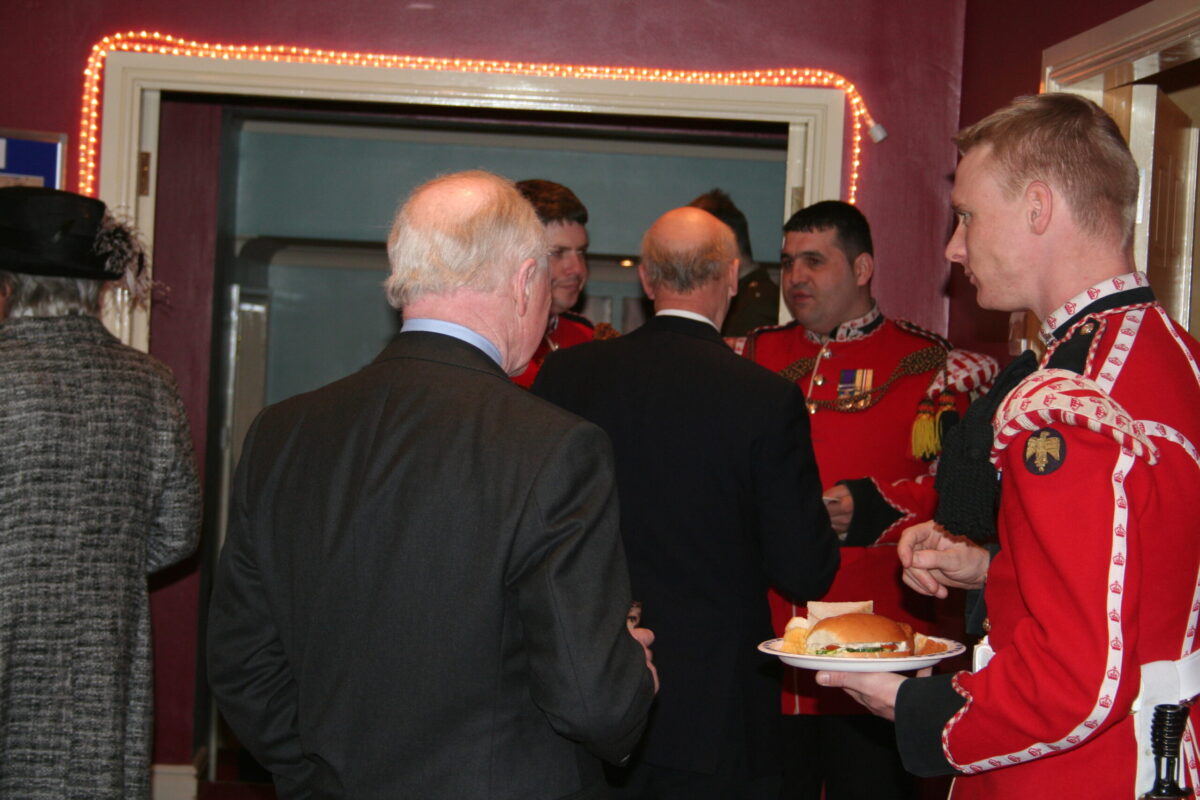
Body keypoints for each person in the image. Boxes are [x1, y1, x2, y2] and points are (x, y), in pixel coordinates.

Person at [207, 170, 657, 799]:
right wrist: (632, 672)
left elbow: (242, 666)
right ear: (527, 280)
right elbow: (593, 701)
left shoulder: (280, 433)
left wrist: (318, 774)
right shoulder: (555, 447)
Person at [818, 93, 1200, 798]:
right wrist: (993, 568)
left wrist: (915, 708)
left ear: (1038, 207)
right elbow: (1139, 571)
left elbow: (1075, 681)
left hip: (1073, 773)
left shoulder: (1070, 400)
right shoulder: (1175, 356)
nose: (953, 248)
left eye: (966, 216)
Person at [533, 206, 838, 798]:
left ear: (647, 279)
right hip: (717, 705)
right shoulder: (765, 396)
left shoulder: (568, 374)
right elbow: (805, 568)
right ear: (731, 276)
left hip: (588, 680)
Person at [733, 199, 995, 799]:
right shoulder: (752, 355)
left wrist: (876, 506)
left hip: (880, 647)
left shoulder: (933, 366)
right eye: (788, 261)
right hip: (772, 640)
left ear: (862, 268)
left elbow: (962, 495)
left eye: (815, 261)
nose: (795, 276)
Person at [0, 186, 201, 799]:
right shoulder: (150, 382)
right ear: (99, 287)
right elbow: (178, 532)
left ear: (8, 283)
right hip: (100, 657)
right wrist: (97, 569)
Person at [512, 178, 613, 387]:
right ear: (516, 257)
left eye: (581, 252)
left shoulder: (586, 337)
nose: (578, 269)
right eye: (557, 253)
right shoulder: (491, 343)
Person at [687, 188, 779, 336]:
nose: (693, 260)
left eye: (699, 246)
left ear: (728, 241)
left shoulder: (757, 306)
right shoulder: (743, 297)